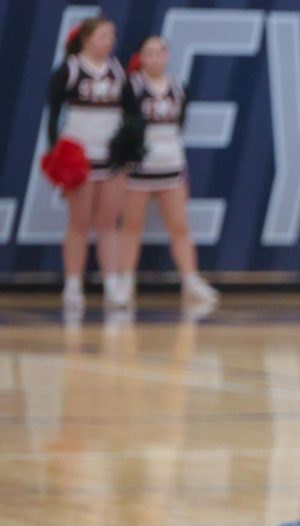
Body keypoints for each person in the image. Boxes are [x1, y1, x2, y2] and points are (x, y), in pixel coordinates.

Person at [118, 37, 219, 307]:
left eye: (159, 53)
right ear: (141, 57)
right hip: (139, 169)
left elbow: (179, 124)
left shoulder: (177, 87)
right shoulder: (133, 86)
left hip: (171, 166)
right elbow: (125, 125)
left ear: (167, 56)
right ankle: (125, 282)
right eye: (148, 53)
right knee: (131, 227)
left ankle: (190, 280)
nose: (154, 58)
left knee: (180, 227)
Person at [46, 16, 126, 311]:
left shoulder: (117, 70)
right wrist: (56, 153)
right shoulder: (70, 69)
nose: (110, 41)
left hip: (111, 157)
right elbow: (53, 115)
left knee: (109, 224)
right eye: (104, 35)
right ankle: (73, 285)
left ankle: (113, 285)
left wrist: (125, 151)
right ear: (87, 39)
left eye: (112, 35)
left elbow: (128, 115)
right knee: (79, 224)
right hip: (80, 155)